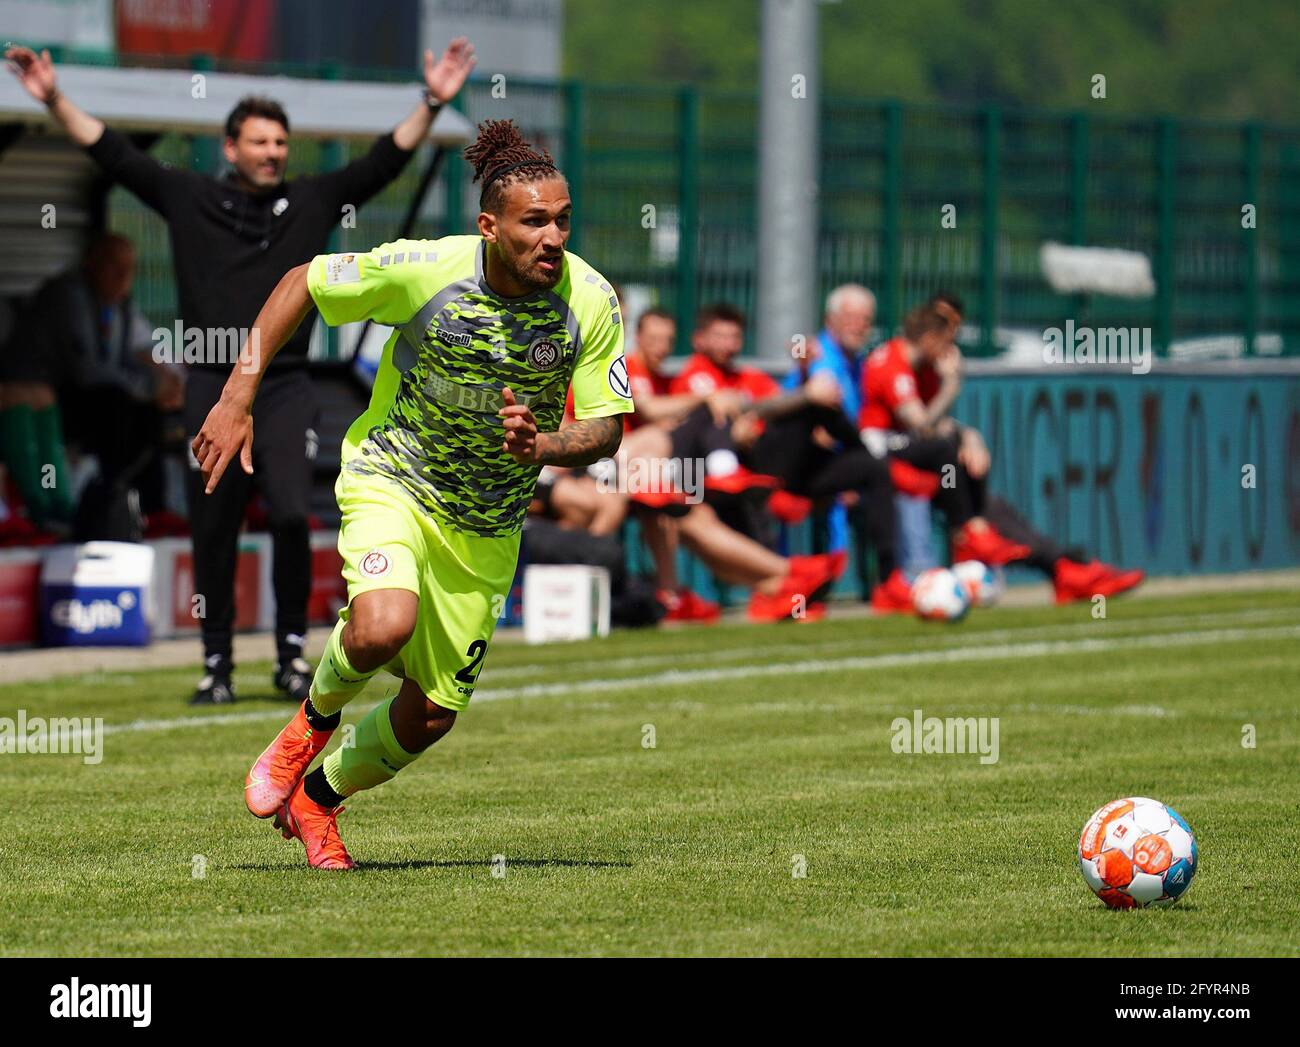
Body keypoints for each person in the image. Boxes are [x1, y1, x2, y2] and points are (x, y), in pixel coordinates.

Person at [193, 119, 631, 870]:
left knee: (429, 714)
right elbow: (301, 280)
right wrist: (238, 397)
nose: (553, 236)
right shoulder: (426, 268)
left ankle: (317, 800)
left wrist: (544, 446)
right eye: (534, 221)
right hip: (393, 477)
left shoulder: (590, 301)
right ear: (489, 226)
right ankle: (308, 723)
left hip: (486, 525)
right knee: (381, 625)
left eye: (563, 219)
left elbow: (607, 430)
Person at [5, 39, 477, 705]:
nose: (272, 153)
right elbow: (114, 153)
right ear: (231, 148)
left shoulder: (311, 203)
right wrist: (52, 97)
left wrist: (431, 100)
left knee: (289, 513)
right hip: (209, 381)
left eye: (280, 143)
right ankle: (216, 661)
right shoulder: (189, 196)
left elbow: (382, 162)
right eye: (259, 142)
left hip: (284, 383)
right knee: (213, 523)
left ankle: (290, 654)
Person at [0, 233, 182, 526]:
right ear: (91, 263)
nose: (124, 275)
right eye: (114, 265)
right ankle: (89, 503)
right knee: (115, 406)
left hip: (73, 392)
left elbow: (123, 360)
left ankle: (149, 507)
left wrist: (157, 386)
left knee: (147, 413)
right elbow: (88, 371)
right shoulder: (69, 295)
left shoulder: (121, 305)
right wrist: (148, 387)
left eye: (129, 267)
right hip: (48, 387)